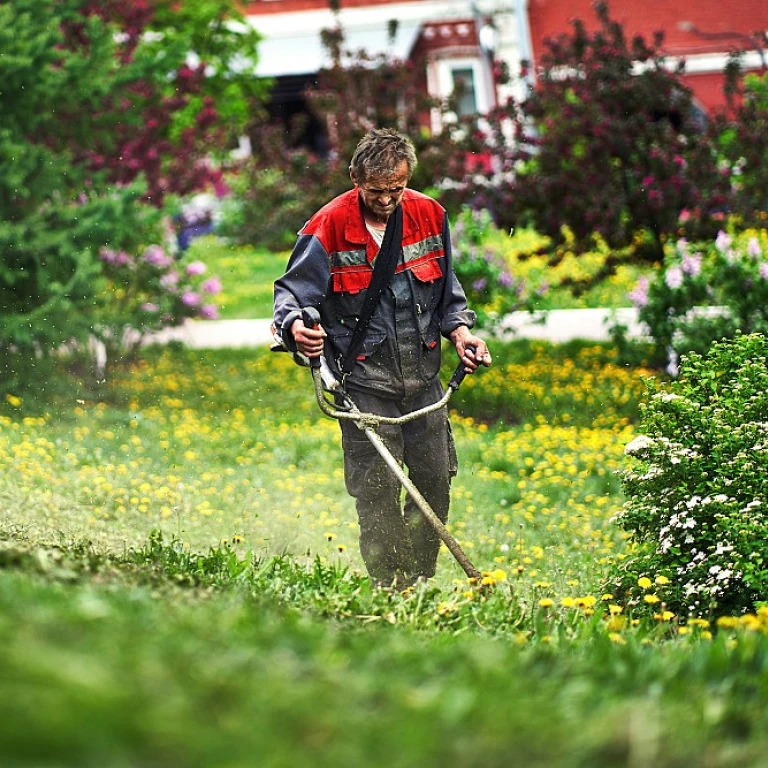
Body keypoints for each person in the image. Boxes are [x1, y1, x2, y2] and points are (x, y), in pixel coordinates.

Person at [273, 128, 491, 588]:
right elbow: (292, 295)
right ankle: (392, 587)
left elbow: (449, 295)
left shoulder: (429, 215)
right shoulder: (328, 226)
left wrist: (463, 334)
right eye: (377, 191)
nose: (388, 200)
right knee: (377, 491)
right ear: (356, 178)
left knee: (433, 481)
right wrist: (298, 330)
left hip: (424, 381)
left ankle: (420, 579)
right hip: (364, 385)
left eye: (397, 189)